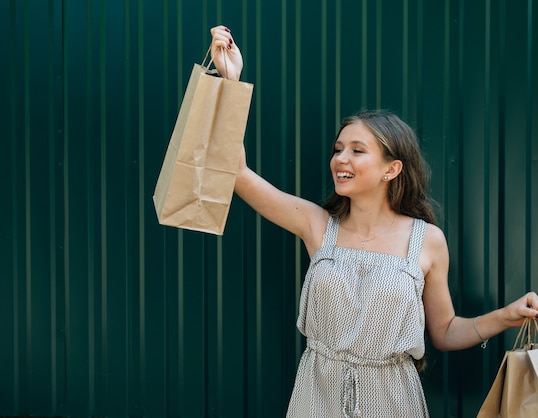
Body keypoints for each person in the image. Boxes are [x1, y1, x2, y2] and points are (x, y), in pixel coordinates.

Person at [209, 25, 538, 417]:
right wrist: (231, 81)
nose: (340, 159)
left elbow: (446, 331)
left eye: (357, 150)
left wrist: (509, 314)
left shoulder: (426, 240)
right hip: (317, 397)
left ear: (391, 169)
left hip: (393, 400)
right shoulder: (317, 225)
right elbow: (237, 171)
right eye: (337, 149)